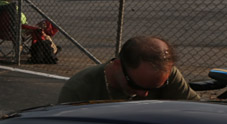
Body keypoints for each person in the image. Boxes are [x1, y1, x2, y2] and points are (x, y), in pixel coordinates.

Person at [58, 36, 200, 102]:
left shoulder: (167, 76)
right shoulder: (79, 91)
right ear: (117, 64)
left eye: (155, 88)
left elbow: (195, 111)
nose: (143, 94)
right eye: (134, 85)